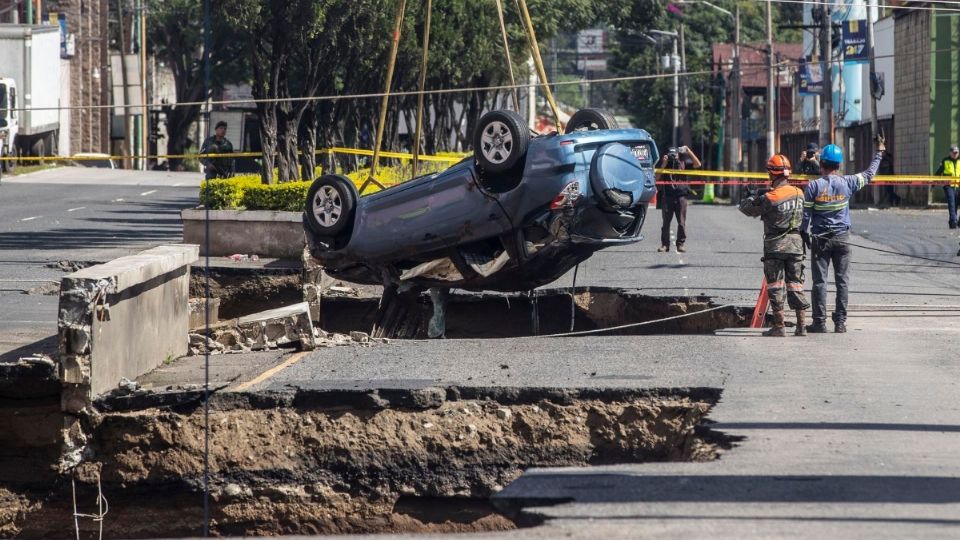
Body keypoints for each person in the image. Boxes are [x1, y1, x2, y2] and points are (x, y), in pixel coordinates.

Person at [800, 136, 885, 334]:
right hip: (842, 239)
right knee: (842, 281)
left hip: (820, 240)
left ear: (821, 164)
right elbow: (870, 173)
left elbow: (806, 215)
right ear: (839, 164)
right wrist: (879, 152)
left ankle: (819, 323)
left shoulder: (813, 187)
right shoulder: (849, 182)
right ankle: (840, 323)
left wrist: (804, 233)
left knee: (820, 282)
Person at [739, 154, 811, 337]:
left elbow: (748, 210)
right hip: (796, 244)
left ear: (772, 173)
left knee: (776, 285)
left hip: (776, 245)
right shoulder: (799, 193)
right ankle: (801, 325)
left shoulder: (771, 197)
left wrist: (749, 197)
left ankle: (779, 326)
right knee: (795, 284)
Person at [657, 145, 701, 253]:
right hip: (668, 196)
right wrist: (663, 164)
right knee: (666, 223)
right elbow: (657, 177)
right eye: (671, 154)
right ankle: (664, 245)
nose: (673, 156)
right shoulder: (665, 165)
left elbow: (698, 164)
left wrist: (688, 151)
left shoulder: (683, 163)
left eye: (675, 154)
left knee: (681, 222)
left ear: (678, 154)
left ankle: (680, 244)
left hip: (681, 196)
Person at [934, 145, 960, 229]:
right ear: (950, 153)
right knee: (952, 203)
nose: (955, 154)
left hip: (958, 186)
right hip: (948, 186)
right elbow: (938, 172)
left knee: (956, 203)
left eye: (957, 153)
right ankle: (953, 221)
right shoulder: (945, 161)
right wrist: (933, 183)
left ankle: (956, 220)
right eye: (954, 153)